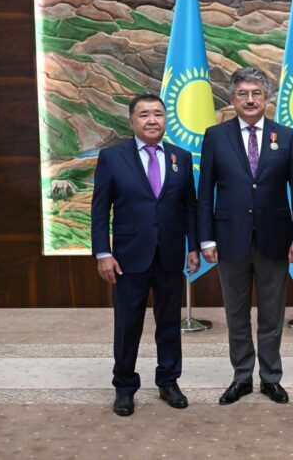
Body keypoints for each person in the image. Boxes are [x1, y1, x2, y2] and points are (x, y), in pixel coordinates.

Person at [197, 67, 293, 405]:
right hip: (229, 238)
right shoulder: (215, 136)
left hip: (275, 238)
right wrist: (206, 239)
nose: (250, 99)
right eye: (243, 94)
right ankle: (242, 377)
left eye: (256, 93)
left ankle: (271, 378)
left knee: (272, 314)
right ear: (232, 99)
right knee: (236, 314)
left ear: (267, 97)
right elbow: (205, 192)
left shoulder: (285, 136)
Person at [91, 94, 199, 417]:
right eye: (144, 114)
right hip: (128, 257)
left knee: (169, 323)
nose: (152, 120)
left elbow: (189, 207)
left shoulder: (181, 157)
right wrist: (103, 253)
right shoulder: (112, 157)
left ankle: (169, 381)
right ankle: (124, 387)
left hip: (170, 255)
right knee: (128, 324)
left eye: (158, 114)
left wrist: (193, 247)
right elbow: (100, 210)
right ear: (132, 121)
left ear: (166, 119)